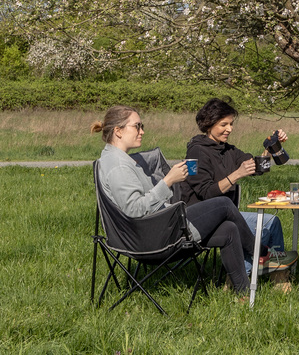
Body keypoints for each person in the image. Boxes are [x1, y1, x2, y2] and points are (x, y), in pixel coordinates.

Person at [91, 105, 255, 296]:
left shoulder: (119, 159)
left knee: (229, 229)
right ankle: (261, 254)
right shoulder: (118, 166)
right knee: (224, 205)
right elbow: (135, 210)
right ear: (118, 131)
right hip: (152, 238)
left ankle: (243, 294)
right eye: (137, 126)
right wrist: (168, 181)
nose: (142, 131)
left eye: (141, 126)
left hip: (157, 228)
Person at [178, 97, 297, 293]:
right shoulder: (195, 153)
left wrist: (271, 146)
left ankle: (278, 275)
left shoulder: (227, 150)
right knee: (243, 232)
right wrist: (237, 174)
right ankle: (237, 277)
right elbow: (206, 193)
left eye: (231, 124)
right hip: (200, 219)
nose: (229, 129)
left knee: (272, 222)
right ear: (208, 124)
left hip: (227, 214)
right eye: (223, 124)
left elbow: (258, 167)